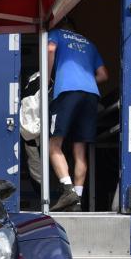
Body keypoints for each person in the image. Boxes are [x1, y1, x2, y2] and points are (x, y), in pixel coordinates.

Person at [47, 18, 108, 211]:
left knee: (53, 144)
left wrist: (47, 79)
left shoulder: (56, 34)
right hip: (91, 95)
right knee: (79, 149)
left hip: (67, 91)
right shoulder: (89, 43)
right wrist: (85, 80)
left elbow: (50, 49)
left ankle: (68, 191)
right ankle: (77, 201)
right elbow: (103, 75)